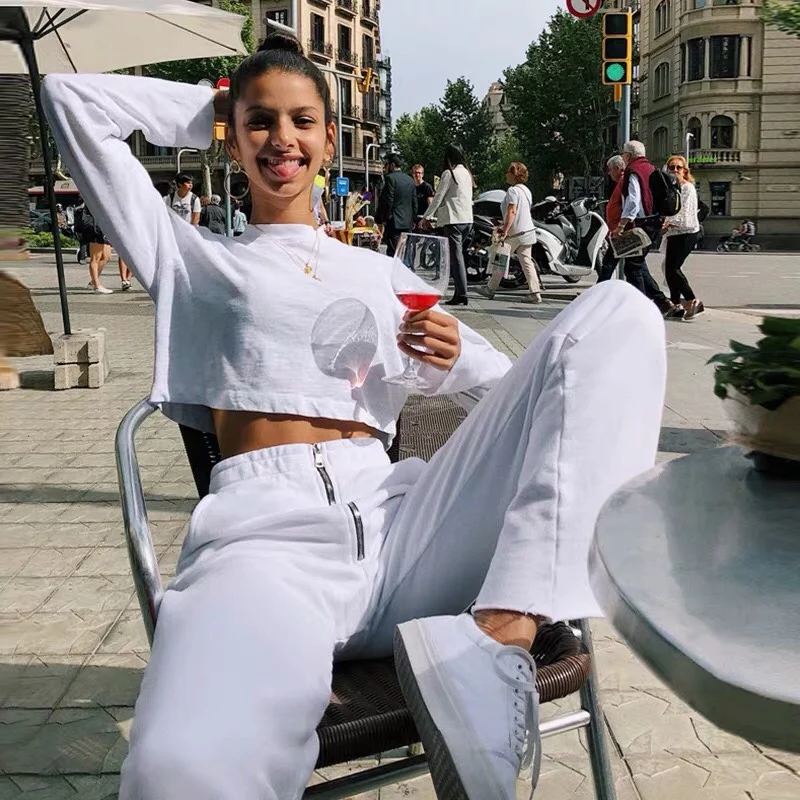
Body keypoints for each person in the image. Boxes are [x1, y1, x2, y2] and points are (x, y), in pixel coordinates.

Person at [43, 33, 666, 800]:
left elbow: (547, 398)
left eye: (302, 121)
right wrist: (215, 105)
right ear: (231, 139)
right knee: (182, 769)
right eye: (261, 122)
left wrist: (454, 361)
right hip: (268, 545)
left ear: (331, 140)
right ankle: (471, 658)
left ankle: (496, 639)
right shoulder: (192, 259)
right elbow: (70, 101)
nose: (282, 138)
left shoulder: (381, 273)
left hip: (410, 530)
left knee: (621, 316)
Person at [614, 140, 685, 319]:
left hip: (641, 224)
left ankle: (641, 309)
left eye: (623, 154)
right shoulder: (652, 169)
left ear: (628, 155)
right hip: (654, 223)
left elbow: (633, 200)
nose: (623, 157)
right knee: (638, 264)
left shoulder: (633, 170)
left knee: (633, 267)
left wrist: (621, 224)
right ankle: (663, 303)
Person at [477, 161, 542, 304]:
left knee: (500, 259)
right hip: (527, 230)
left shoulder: (512, 191)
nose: (506, 174)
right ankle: (535, 292)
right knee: (527, 262)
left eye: (508, 172)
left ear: (514, 174)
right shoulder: (526, 190)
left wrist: (504, 230)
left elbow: (512, 211)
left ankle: (490, 289)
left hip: (514, 232)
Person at [420, 144, 474, 306]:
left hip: (453, 220)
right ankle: (460, 292)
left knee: (456, 258)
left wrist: (426, 217)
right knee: (458, 256)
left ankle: (462, 293)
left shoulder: (449, 173)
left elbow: (439, 197)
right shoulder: (467, 173)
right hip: (467, 219)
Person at [662, 156, 703, 320]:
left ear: (685, 171)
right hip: (674, 233)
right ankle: (676, 304)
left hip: (686, 232)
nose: (675, 170)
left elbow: (684, 214)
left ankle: (692, 300)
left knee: (673, 269)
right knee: (669, 270)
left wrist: (666, 223)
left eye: (678, 167)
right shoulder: (672, 188)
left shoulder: (687, 188)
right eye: (671, 167)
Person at [376, 153, 417, 257]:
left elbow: (388, 201)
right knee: (406, 252)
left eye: (386, 165)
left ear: (392, 165)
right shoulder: (410, 180)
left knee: (393, 252)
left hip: (394, 222)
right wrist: (413, 219)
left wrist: (384, 219)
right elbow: (414, 202)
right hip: (407, 222)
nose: (385, 168)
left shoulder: (390, 178)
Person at [597, 155, 625, 283]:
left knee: (608, 264)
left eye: (610, 169)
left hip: (620, 231)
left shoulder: (624, 182)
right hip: (616, 230)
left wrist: (620, 226)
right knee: (636, 267)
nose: (609, 173)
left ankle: (599, 289)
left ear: (618, 168)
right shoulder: (621, 183)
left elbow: (629, 206)